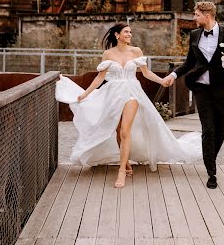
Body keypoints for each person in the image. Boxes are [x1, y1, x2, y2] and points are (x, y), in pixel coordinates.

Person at [55, 22, 203, 188]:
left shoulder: (136, 51)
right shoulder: (108, 54)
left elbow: (145, 73)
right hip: (113, 93)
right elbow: (99, 77)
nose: (129, 34)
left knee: (125, 131)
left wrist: (162, 80)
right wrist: (85, 93)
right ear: (117, 35)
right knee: (118, 130)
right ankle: (125, 162)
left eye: (130, 32)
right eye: (126, 32)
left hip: (132, 92)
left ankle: (121, 171)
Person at [162, 1, 224, 189]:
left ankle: (210, 158)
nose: (194, 18)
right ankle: (211, 172)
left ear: (207, 16)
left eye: (196, 15)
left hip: (222, 88)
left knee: (220, 131)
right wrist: (173, 75)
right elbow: (190, 62)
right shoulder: (195, 35)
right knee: (208, 129)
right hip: (201, 88)